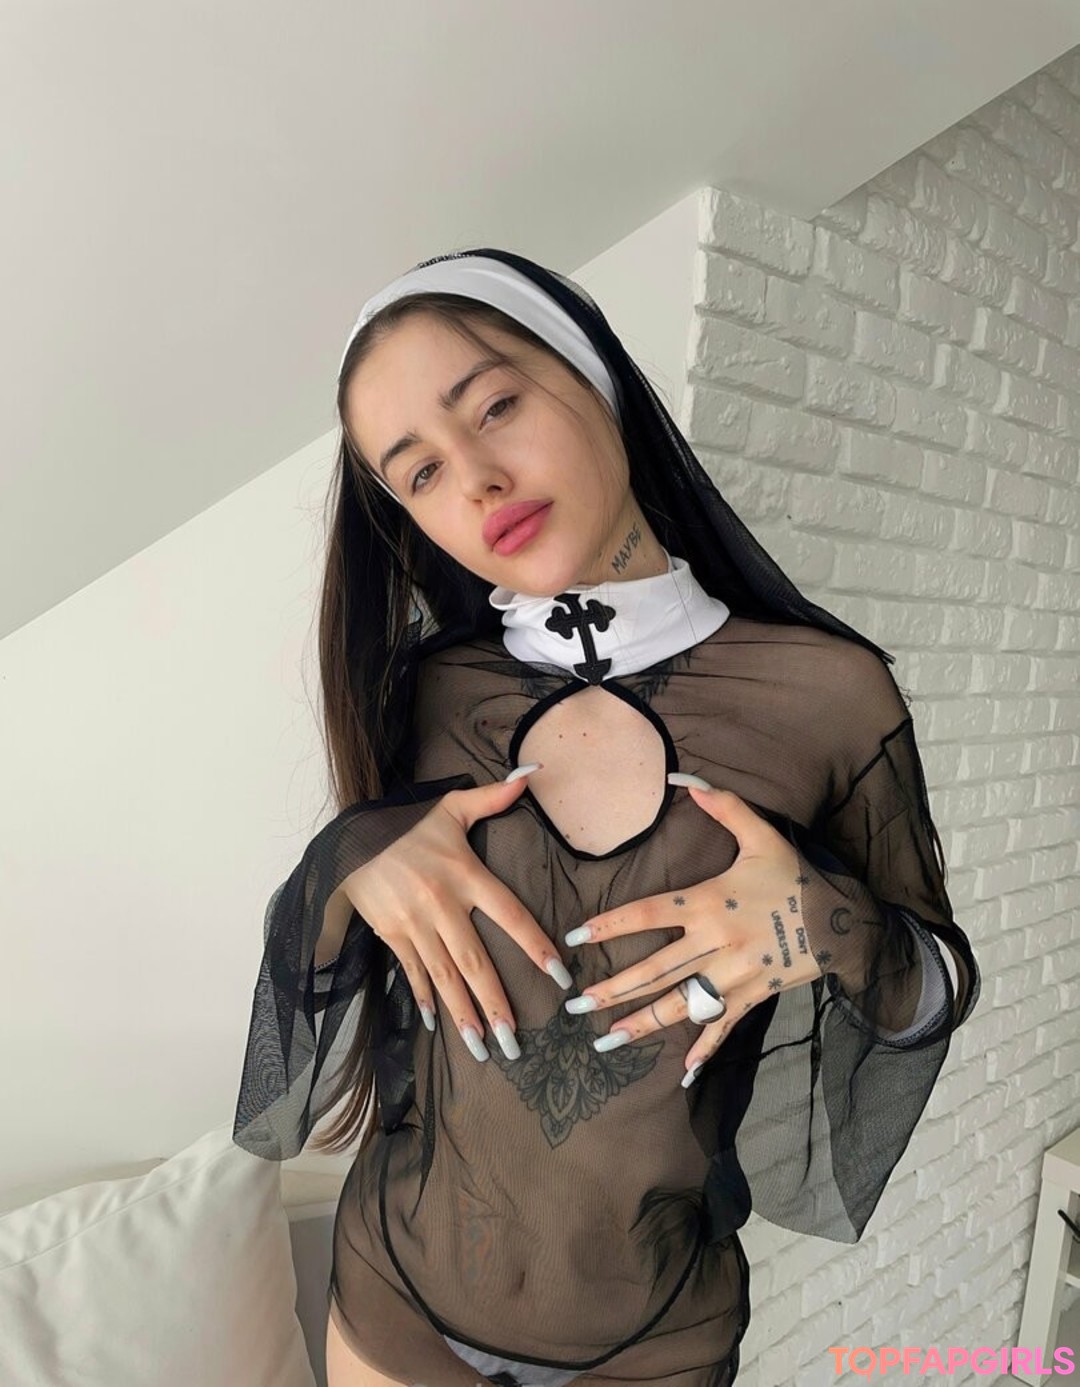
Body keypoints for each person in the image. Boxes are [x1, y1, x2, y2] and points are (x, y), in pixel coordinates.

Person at [232, 248, 980, 1387]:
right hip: (394, 1302)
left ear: (595, 375)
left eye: (496, 405)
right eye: (420, 471)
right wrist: (351, 860)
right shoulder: (422, 693)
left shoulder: (830, 694)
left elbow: (931, 988)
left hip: (658, 1339)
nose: (478, 479)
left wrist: (826, 922)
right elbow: (319, 1007)